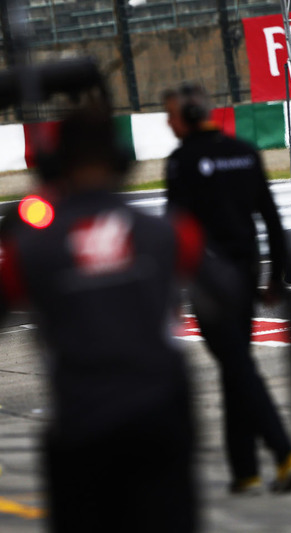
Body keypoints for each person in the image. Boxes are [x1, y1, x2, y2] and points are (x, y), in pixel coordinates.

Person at [0, 105, 201, 532]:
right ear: (120, 162)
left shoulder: (31, 248)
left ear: (58, 167)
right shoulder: (165, 231)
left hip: (84, 424)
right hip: (159, 418)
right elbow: (224, 288)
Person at [163, 82, 291, 494]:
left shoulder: (181, 162)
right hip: (245, 276)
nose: (169, 124)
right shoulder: (245, 152)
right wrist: (275, 277)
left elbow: (173, 234)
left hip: (209, 281)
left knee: (237, 366)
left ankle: (285, 452)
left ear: (187, 116)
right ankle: (244, 470)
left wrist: (171, 294)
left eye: (170, 115)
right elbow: (272, 220)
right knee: (235, 365)